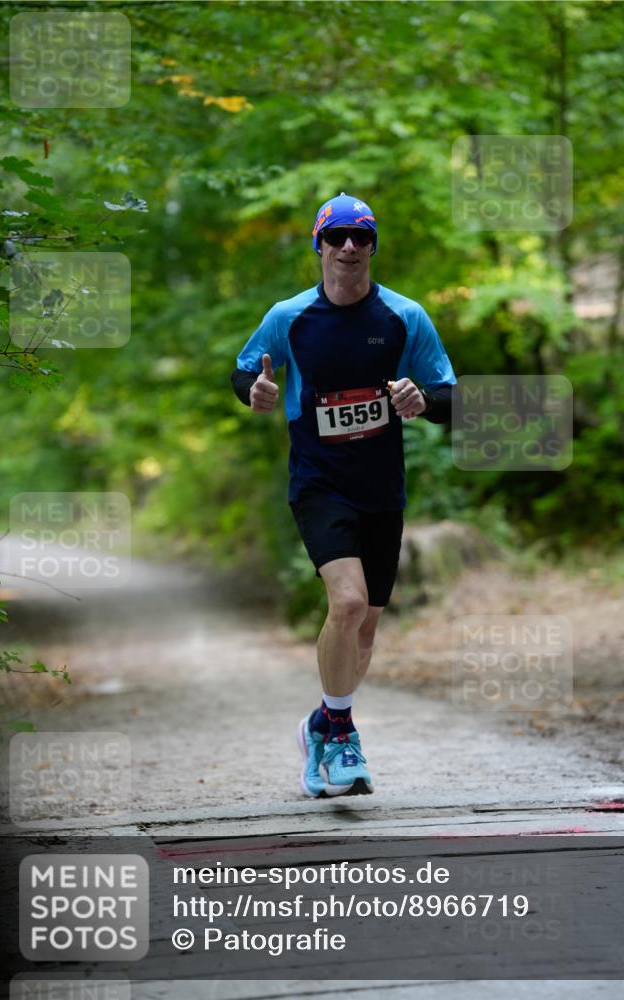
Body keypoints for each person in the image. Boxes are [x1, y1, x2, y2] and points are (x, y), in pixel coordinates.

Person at [231, 193, 456, 798]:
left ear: (374, 245)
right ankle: (339, 734)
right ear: (319, 245)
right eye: (338, 237)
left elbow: (451, 398)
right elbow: (245, 368)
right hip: (318, 483)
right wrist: (253, 391)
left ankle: (320, 723)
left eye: (362, 236)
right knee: (349, 602)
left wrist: (425, 402)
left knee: (364, 632)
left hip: (381, 489)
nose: (350, 247)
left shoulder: (405, 318)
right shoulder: (290, 317)